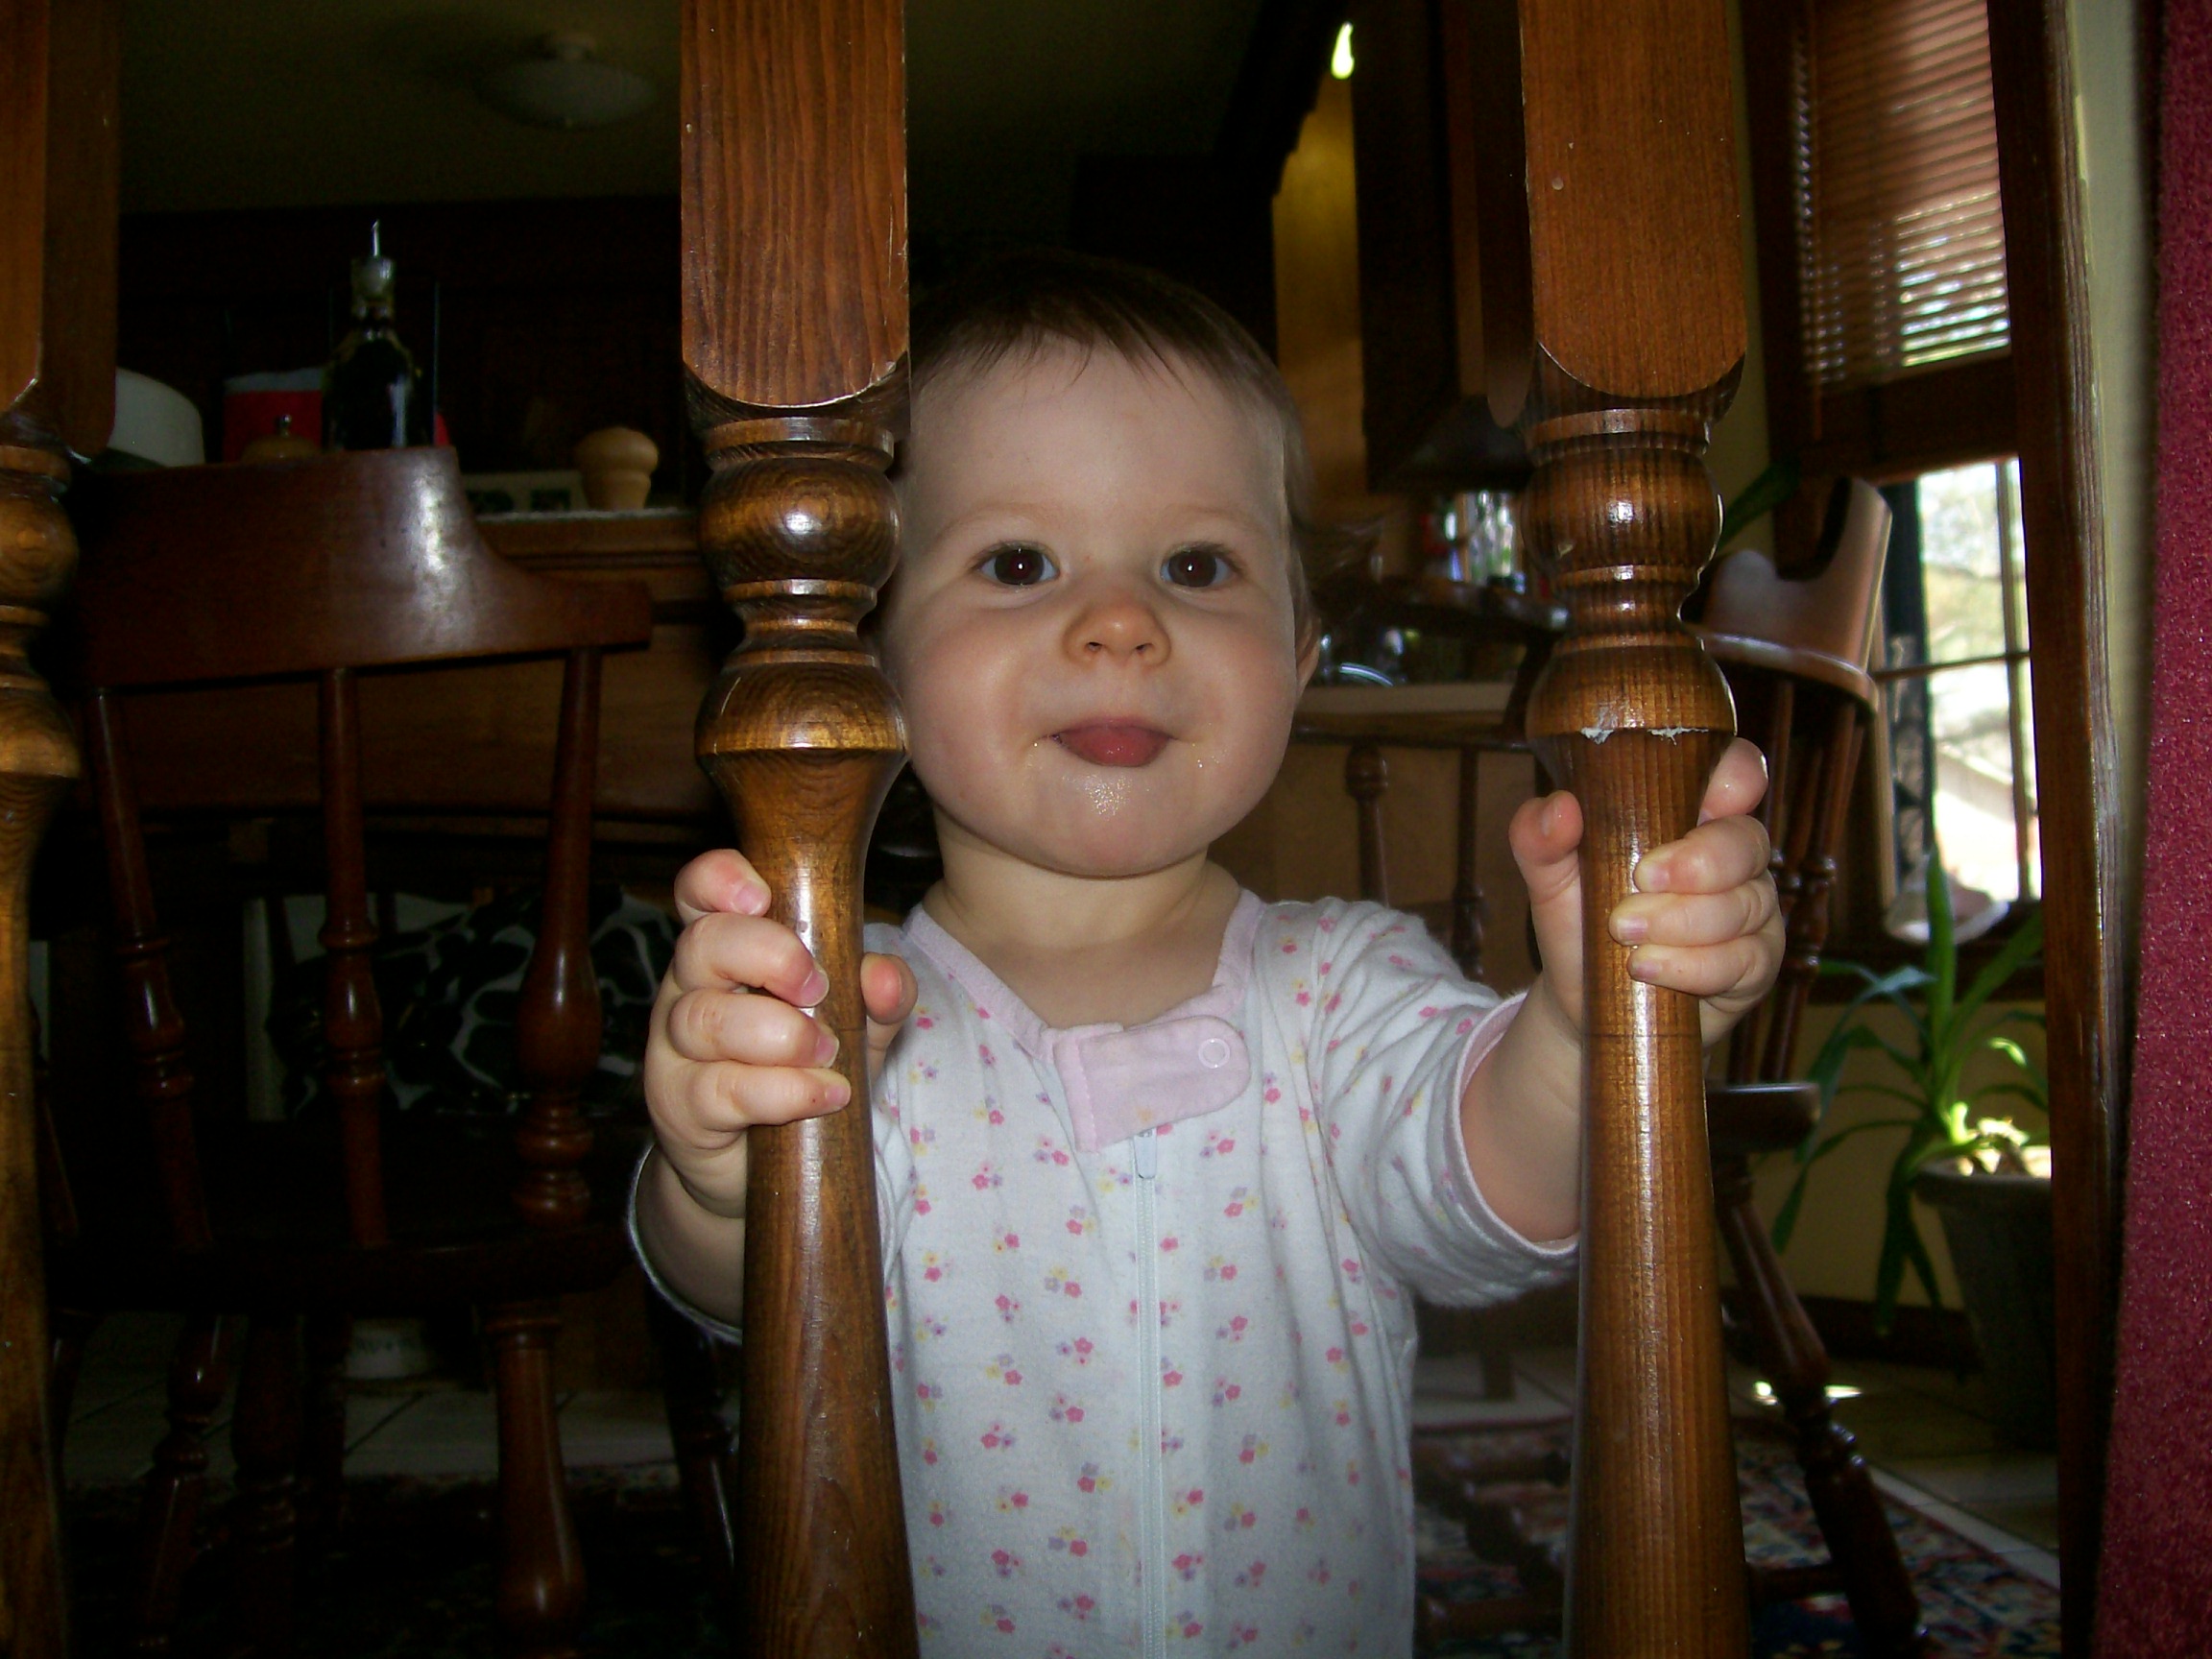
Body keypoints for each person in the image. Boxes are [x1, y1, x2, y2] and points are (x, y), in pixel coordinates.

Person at [635, 252, 1784, 1652]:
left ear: (1298, 655)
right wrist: (722, 1177)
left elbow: (1489, 1193)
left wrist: (1593, 1026)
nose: (1122, 622)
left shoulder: (1343, 991)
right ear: (867, 660)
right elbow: (749, 1292)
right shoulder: (844, 1011)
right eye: (1017, 563)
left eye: (1196, 566)